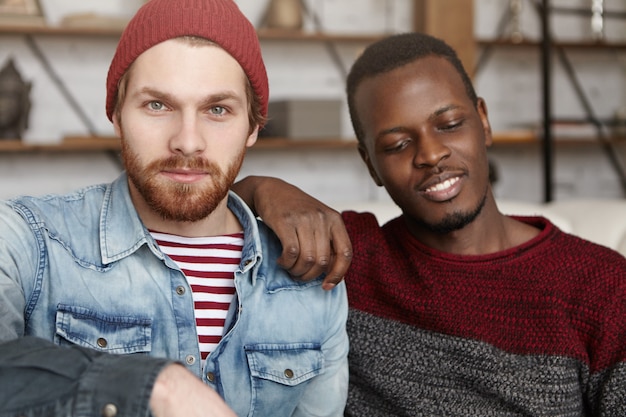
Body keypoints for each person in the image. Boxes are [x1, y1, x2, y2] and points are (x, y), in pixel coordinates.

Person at [236, 32, 626, 415]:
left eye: (450, 123)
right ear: (371, 164)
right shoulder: (346, 255)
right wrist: (260, 189)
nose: (431, 153)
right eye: (397, 145)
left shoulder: (603, 288)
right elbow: (191, 221)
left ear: (484, 121)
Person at [0, 0, 349, 416]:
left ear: (254, 126)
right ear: (115, 113)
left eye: (217, 110)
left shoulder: (310, 279)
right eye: (158, 105)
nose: (187, 141)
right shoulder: (26, 242)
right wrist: (155, 387)